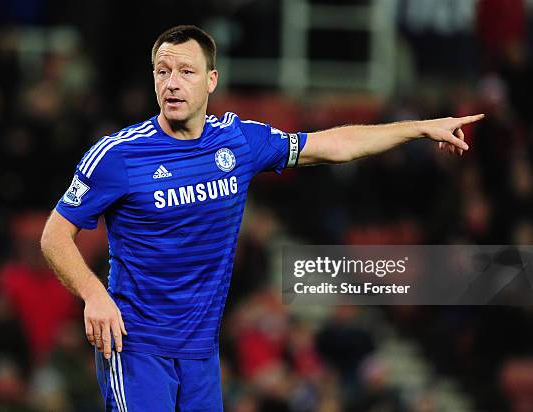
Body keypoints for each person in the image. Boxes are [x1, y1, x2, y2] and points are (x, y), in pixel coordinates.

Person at [40, 25, 484, 411]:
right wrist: (94, 295)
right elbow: (54, 236)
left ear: (212, 80)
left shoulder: (239, 142)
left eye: (186, 71)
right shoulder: (119, 155)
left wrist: (419, 128)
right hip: (137, 346)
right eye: (162, 71)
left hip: (201, 352)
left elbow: (335, 145)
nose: (172, 83)